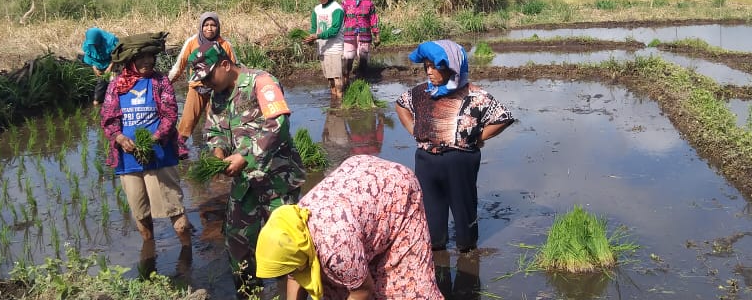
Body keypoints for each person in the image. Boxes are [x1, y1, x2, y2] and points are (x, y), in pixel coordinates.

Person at [195, 43, 306, 294]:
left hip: (278, 181)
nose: (207, 83)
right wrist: (218, 153)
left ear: (225, 65)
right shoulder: (218, 94)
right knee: (236, 240)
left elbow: (278, 124)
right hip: (245, 184)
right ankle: (249, 294)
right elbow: (213, 131)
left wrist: (245, 157)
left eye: (209, 76)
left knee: (285, 245)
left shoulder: (261, 81)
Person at [256, 155, 443, 300]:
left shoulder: (336, 249)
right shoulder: (294, 233)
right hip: (357, 185)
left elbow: (362, 291)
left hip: (394, 190)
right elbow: (295, 273)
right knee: (338, 285)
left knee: (403, 286)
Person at [395, 40, 515, 253]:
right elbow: (401, 104)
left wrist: (479, 137)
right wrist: (413, 130)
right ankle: (436, 245)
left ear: (452, 67)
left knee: (464, 206)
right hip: (426, 159)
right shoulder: (421, 92)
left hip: (460, 159)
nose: (429, 72)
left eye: (435, 66)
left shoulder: (476, 96)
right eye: (426, 66)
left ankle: (466, 248)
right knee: (431, 207)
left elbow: (503, 118)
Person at [100, 32, 192, 254]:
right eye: (142, 57)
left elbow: (170, 115)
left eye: (151, 57)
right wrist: (120, 138)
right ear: (131, 60)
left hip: (160, 156)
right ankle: (149, 256)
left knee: (175, 212)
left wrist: (155, 138)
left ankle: (188, 256)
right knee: (140, 214)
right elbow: (108, 119)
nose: (148, 61)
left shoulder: (160, 82)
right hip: (128, 160)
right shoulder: (117, 86)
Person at [168, 12, 237, 158]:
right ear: (201, 27)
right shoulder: (192, 42)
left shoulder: (225, 44)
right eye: (206, 25)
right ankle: (178, 148)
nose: (209, 28)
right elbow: (179, 66)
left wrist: (236, 90)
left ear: (218, 27)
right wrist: (165, 84)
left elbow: (234, 67)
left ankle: (220, 152)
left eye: (213, 25)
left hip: (217, 90)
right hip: (197, 87)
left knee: (217, 122)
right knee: (188, 119)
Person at [303, 0, 344, 99]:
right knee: (329, 77)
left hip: (335, 47)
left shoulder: (337, 9)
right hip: (322, 47)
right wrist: (310, 38)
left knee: (336, 76)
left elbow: (334, 30)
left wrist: (317, 36)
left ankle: (340, 99)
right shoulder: (316, 10)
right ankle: (333, 97)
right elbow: (313, 28)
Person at [339, 0, 379, 86]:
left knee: (363, 58)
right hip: (349, 35)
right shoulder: (345, 3)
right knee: (348, 58)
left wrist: (377, 35)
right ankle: (346, 80)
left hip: (364, 35)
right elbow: (340, 19)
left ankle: (361, 83)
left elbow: (373, 19)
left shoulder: (369, 3)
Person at [81, 27, 119, 105]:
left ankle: (115, 101)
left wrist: (110, 67)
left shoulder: (111, 41)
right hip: (99, 65)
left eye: (95, 43)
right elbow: (90, 57)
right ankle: (98, 100)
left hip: (113, 63)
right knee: (101, 83)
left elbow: (116, 56)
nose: (94, 45)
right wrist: (95, 68)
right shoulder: (89, 45)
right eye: (93, 44)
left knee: (113, 80)